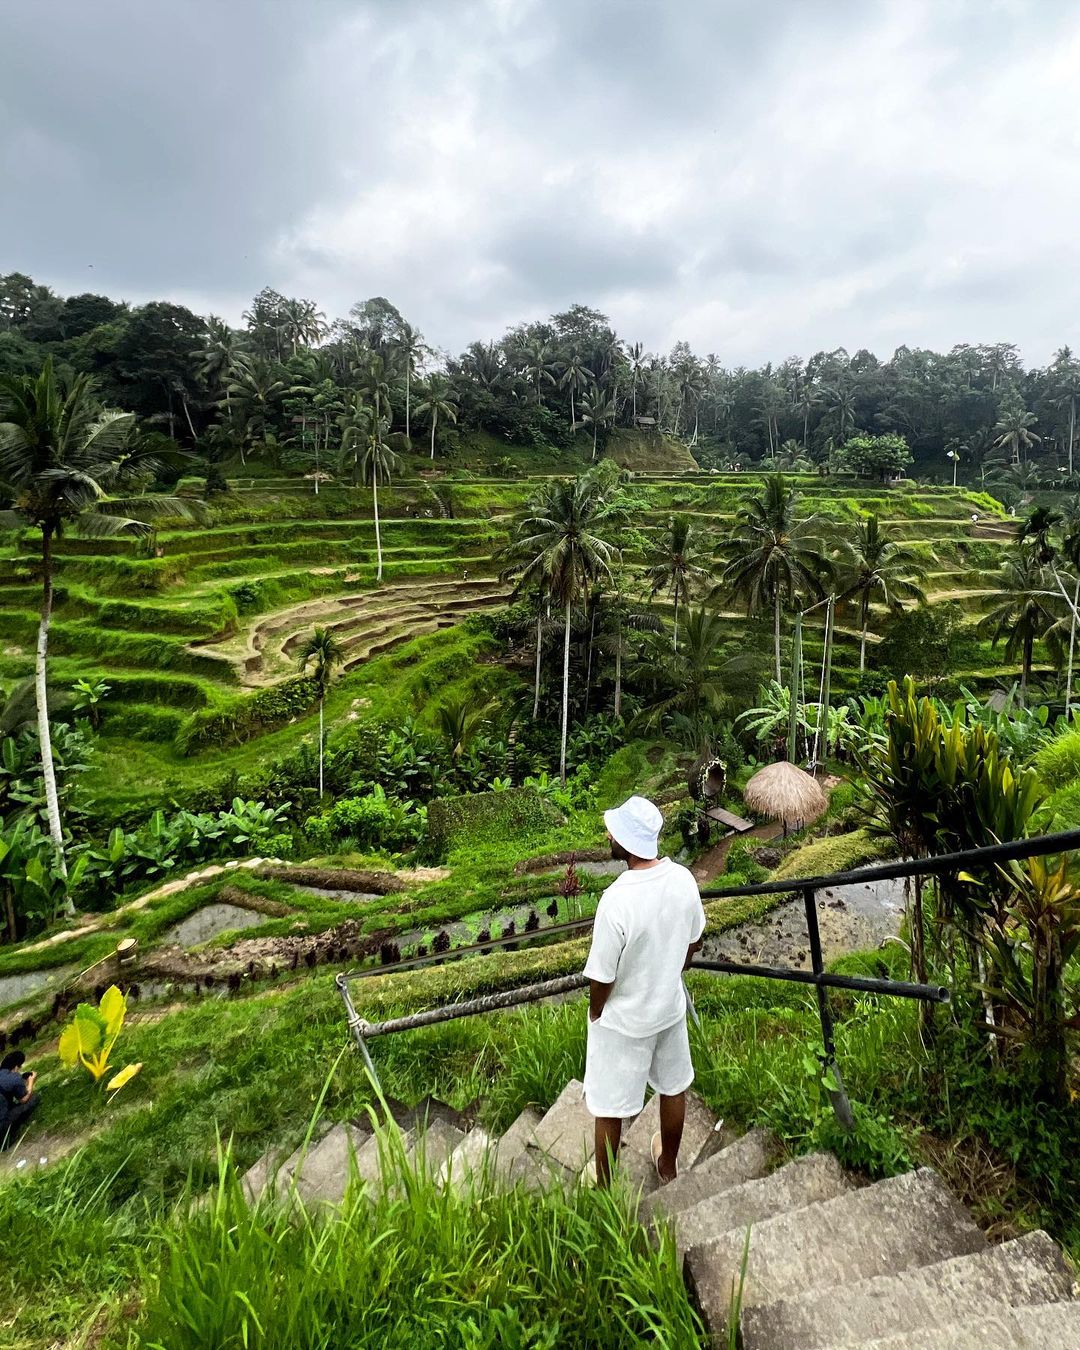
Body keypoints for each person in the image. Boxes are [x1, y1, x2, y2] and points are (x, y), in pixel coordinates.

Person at [583, 795, 706, 1187]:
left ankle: (604, 1190)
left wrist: (596, 1012)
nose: (608, 834)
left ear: (627, 842)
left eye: (614, 831)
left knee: (608, 1106)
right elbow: (694, 941)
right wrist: (675, 967)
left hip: (624, 1022)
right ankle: (667, 1166)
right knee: (674, 1087)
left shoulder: (617, 900)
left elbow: (601, 976)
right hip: (668, 1009)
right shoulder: (683, 880)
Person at [0, 1049, 39, 1148]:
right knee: (33, 1098)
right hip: (2, 1130)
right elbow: (24, 1099)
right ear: (16, 1066)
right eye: (20, 1066)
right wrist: (31, 1082)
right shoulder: (15, 1078)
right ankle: (9, 1137)